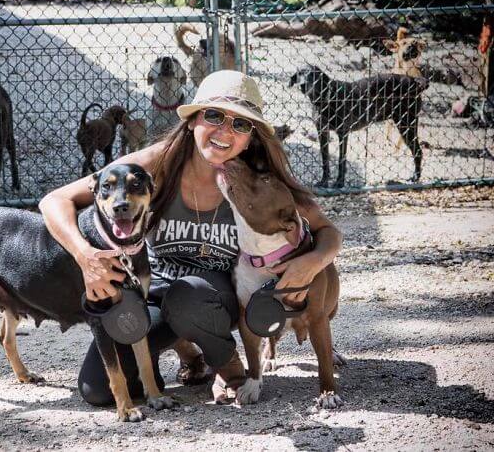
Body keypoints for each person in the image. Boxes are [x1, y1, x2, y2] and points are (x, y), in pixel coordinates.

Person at [38, 70, 343, 405]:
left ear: (251, 135)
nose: (225, 131)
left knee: (188, 297)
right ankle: (187, 352)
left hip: (216, 299)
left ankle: (228, 367)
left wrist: (313, 262)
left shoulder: (256, 180)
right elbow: (54, 200)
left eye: (240, 124)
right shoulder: (158, 162)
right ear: (193, 119)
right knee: (97, 390)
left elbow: (327, 231)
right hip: (155, 293)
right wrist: (85, 256)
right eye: (214, 115)